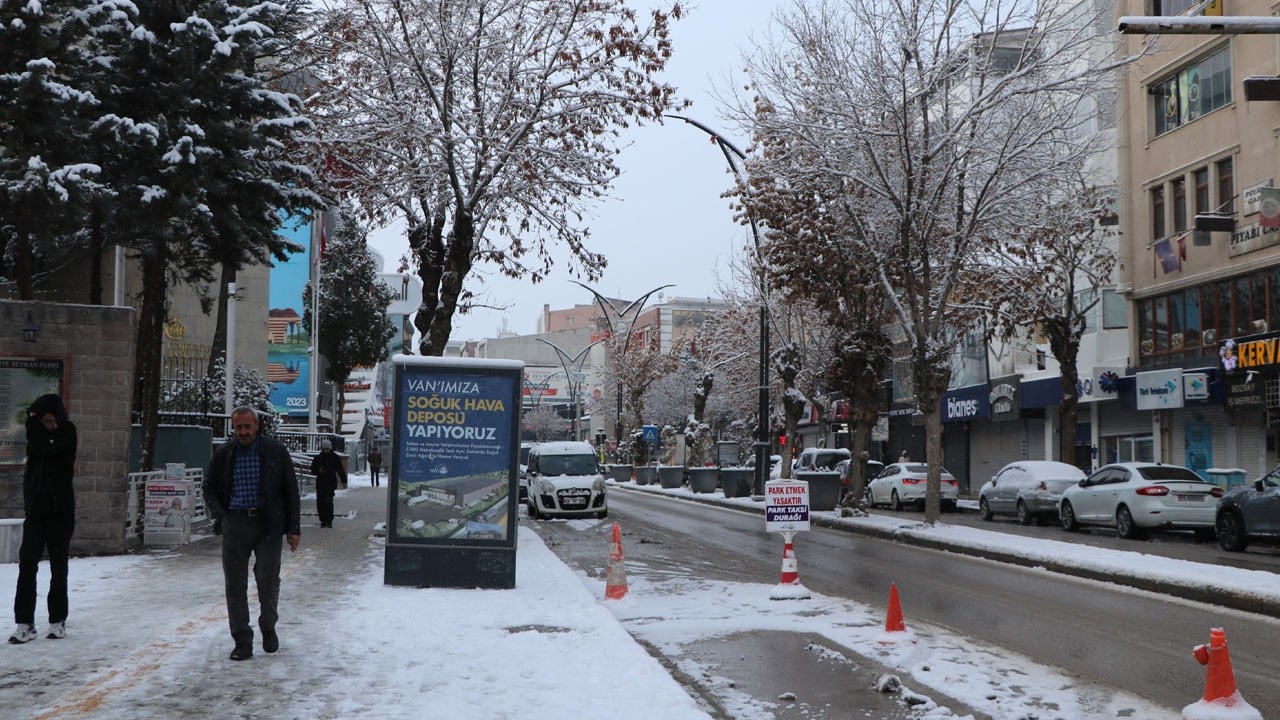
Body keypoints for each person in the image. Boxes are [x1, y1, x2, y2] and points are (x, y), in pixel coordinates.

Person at [204, 406, 300, 661]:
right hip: (235, 524)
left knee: (268, 580)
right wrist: (222, 515)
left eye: (247, 426)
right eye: (238, 427)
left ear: (257, 426)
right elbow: (209, 487)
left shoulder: (274, 451)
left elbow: (290, 489)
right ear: (233, 428)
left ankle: (268, 626)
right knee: (235, 585)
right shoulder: (225, 454)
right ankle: (242, 640)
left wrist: (294, 529)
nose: (243, 432)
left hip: (268, 524)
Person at [9, 394, 77, 645]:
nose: (52, 426)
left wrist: (35, 425)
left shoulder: (67, 432)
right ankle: (24, 622)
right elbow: (39, 446)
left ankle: (57, 619)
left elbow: (50, 445)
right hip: (36, 514)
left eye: (53, 420)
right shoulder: (36, 440)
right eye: (46, 422)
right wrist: (34, 424)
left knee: (58, 567)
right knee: (27, 565)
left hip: (61, 513)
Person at [309, 439, 346, 528]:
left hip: (330, 483)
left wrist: (344, 481)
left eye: (327, 449)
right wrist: (318, 470)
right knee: (320, 503)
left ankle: (329, 521)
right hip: (321, 483)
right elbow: (313, 469)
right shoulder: (318, 458)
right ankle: (323, 520)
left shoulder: (334, 458)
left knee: (329, 502)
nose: (326, 451)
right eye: (324, 449)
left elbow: (340, 469)